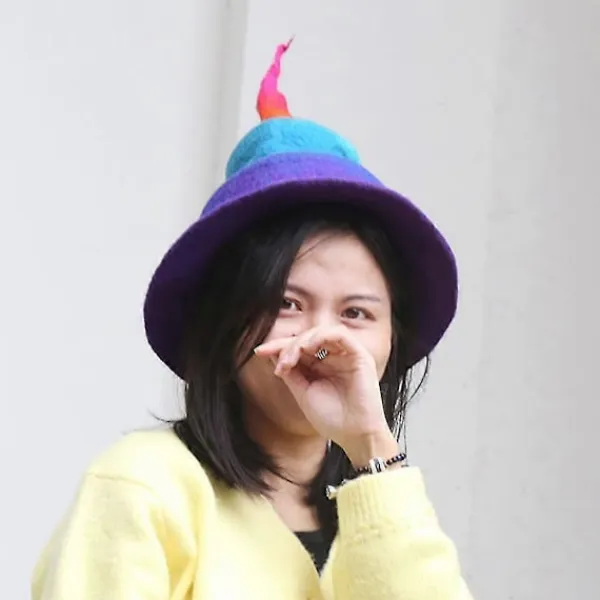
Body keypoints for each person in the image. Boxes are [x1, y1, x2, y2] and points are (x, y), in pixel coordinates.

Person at [32, 40, 473, 599]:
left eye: (356, 313)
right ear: (225, 317)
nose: (322, 338)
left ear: (392, 338)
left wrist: (372, 448)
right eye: (286, 304)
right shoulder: (143, 487)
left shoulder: (387, 506)